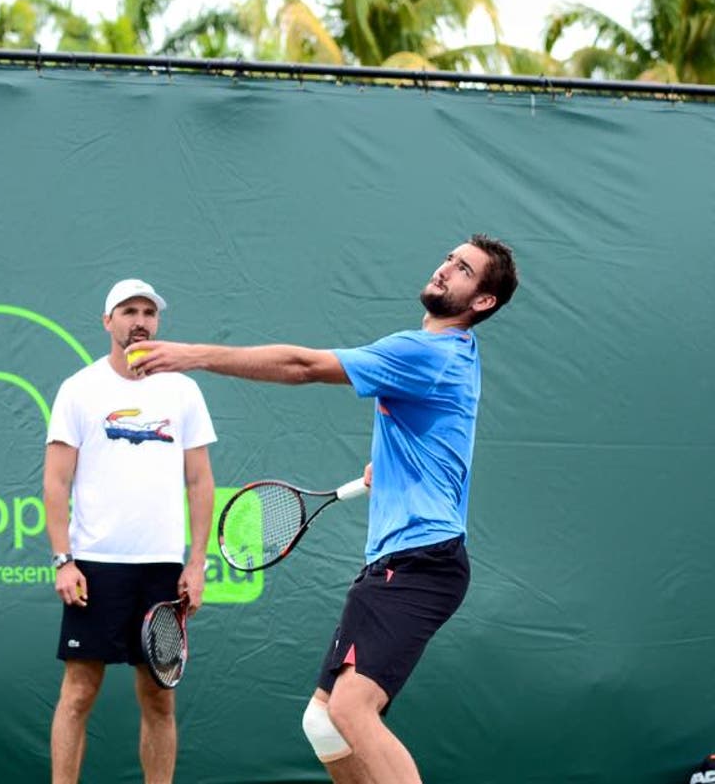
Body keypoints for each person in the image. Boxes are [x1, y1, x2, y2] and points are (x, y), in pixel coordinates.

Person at [128, 234, 518, 783]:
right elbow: (438, 437)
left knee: (350, 710)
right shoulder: (456, 356)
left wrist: (192, 357)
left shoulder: (427, 352)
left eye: (464, 270)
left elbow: (303, 366)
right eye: (450, 259)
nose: (446, 269)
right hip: (405, 557)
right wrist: (396, 472)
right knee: (323, 722)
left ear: (482, 302)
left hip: (418, 561)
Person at [44, 278, 217, 784]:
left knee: (160, 698)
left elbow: (200, 481)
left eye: (148, 312)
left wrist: (196, 562)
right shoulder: (79, 389)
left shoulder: (183, 390)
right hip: (94, 567)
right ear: (107, 322)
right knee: (77, 694)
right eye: (128, 311)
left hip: (161, 569)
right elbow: (56, 481)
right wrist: (64, 559)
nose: (139, 320)